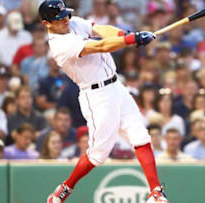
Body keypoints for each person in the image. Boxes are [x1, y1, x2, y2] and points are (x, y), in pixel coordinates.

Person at [38, 1, 169, 202]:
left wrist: (126, 36)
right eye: (59, 18)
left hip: (117, 87)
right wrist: (132, 40)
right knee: (98, 155)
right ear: (47, 23)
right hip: (97, 96)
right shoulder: (59, 45)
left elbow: (99, 29)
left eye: (65, 14)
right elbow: (100, 45)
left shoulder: (72, 23)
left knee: (141, 136)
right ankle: (65, 187)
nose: (65, 19)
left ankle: (155, 192)